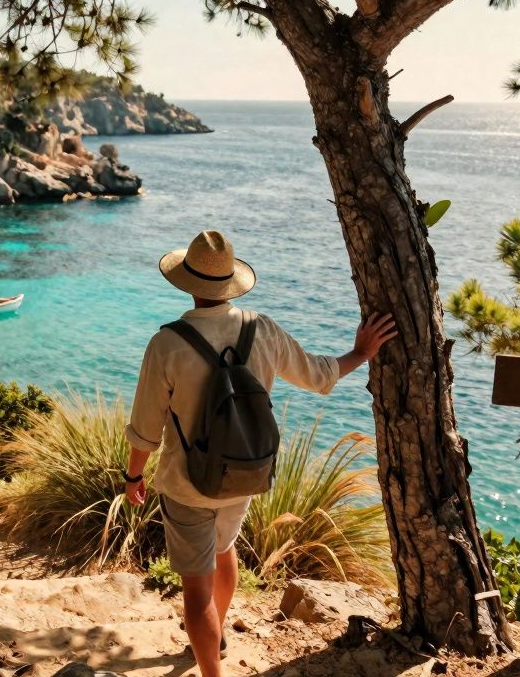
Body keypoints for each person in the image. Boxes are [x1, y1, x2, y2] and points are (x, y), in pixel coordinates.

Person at [122, 230, 396, 677]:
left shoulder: (167, 343)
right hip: (246, 472)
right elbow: (319, 375)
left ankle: (211, 670)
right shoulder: (262, 328)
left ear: (188, 284)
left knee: (196, 592)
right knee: (225, 548)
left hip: (188, 484)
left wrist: (134, 477)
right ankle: (219, 631)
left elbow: (145, 429)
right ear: (230, 282)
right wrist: (360, 352)